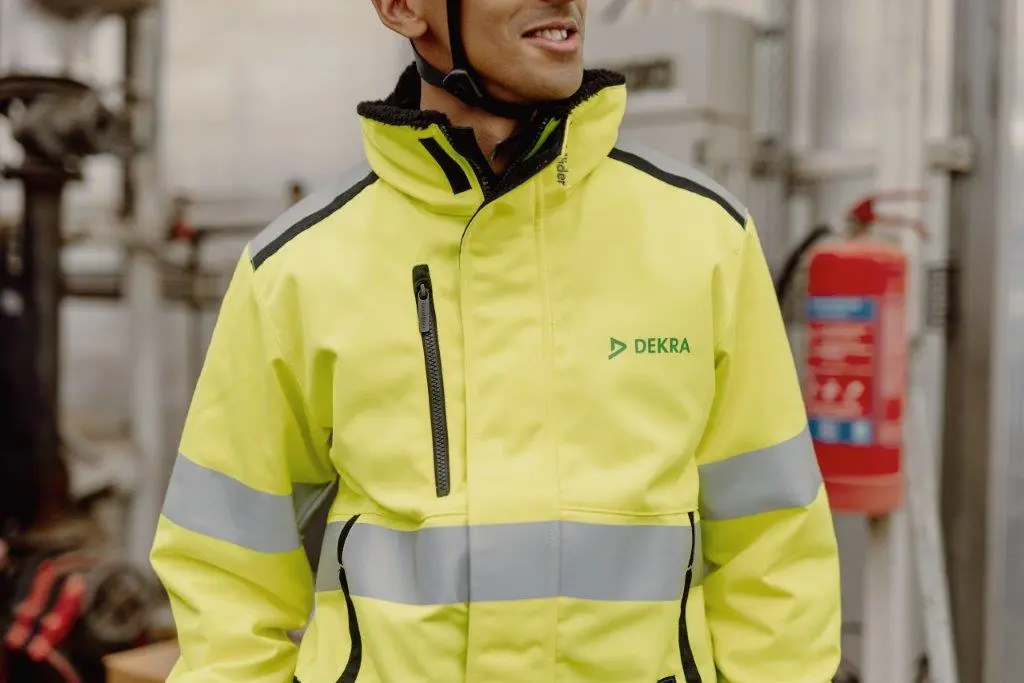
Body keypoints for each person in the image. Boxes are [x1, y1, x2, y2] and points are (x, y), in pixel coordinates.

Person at [150, 1, 842, 681]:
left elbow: (774, 548)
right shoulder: (297, 270)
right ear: (401, 8)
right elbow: (226, 575)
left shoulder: (705, 238)